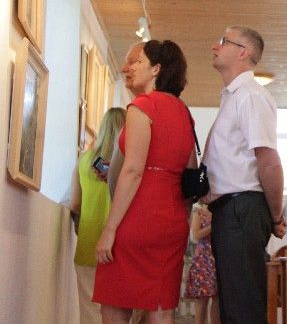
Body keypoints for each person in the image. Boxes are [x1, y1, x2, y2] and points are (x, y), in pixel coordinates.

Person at [93, 40, 196, 323]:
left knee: (115, 303)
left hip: (138, 215)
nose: (130, 67)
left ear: (156, 69)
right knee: (161, 307)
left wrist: (110, 229)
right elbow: (190, 169)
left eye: (138, 61)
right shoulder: (183, 112)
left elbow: (133, 171)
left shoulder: (142, 106)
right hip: (172, 219)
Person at [201, 26, 286, 324]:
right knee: (233, 306)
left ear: (243, 52)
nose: (215, 46)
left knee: (243, 308)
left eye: (223, 41)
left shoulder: (250, 95)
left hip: (242, 208)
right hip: (232, 210)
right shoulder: (233, 97)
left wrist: (276, 215)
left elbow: (269, 161)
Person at [70, 107, 126, 324]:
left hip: (89, 242)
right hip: (120, 245)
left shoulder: (84, 160)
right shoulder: (128, 164)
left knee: (89, 311)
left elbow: (75, 203)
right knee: (119, 312)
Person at [108, 41, 145, 198]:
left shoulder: (146, 111)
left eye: (132, 62)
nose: (124, 69)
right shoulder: (137, 109)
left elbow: (134, 171)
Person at [186, 203, 220, 324]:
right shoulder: (199, 212)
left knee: (217, 298)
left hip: (218, 255)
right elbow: (196, 235)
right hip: (203, 258)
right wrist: (214, 225)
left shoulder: (220, 210)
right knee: (202, 297)